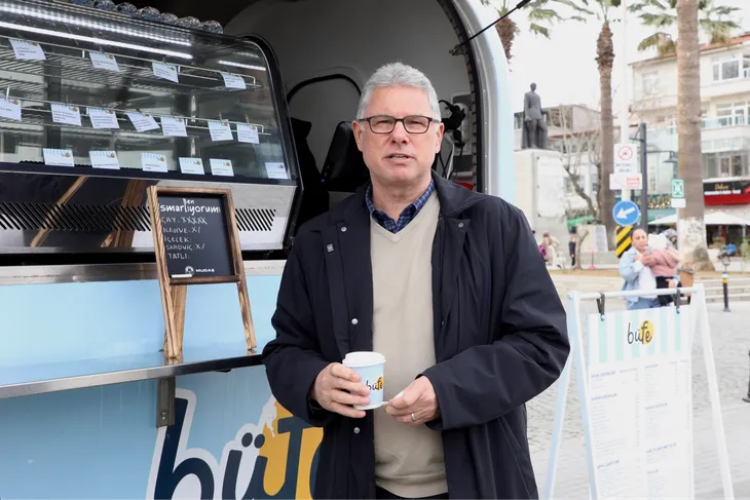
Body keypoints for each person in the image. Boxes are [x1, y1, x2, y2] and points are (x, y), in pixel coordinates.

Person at [262, 62, 569, 500]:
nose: (399, 135)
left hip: (480, 480)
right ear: (359, 136)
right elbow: (286, 350)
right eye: (382, 122)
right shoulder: (318, 240)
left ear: (437, 136)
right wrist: (313, 382)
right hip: (357, 485)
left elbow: (542, 343)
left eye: (416, 123)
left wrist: (447, 391)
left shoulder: (496, 226)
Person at [619, 228, 677, 309]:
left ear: (647, 239)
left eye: (643, 237)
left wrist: (674, 281)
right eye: (637, 238)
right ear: (632, 242)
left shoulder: (657, 252)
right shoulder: (628, 256)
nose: (641, 240)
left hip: (659, 299)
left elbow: (672, 269)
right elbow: (626, 274)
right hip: (639, 301)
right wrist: (640, 262)